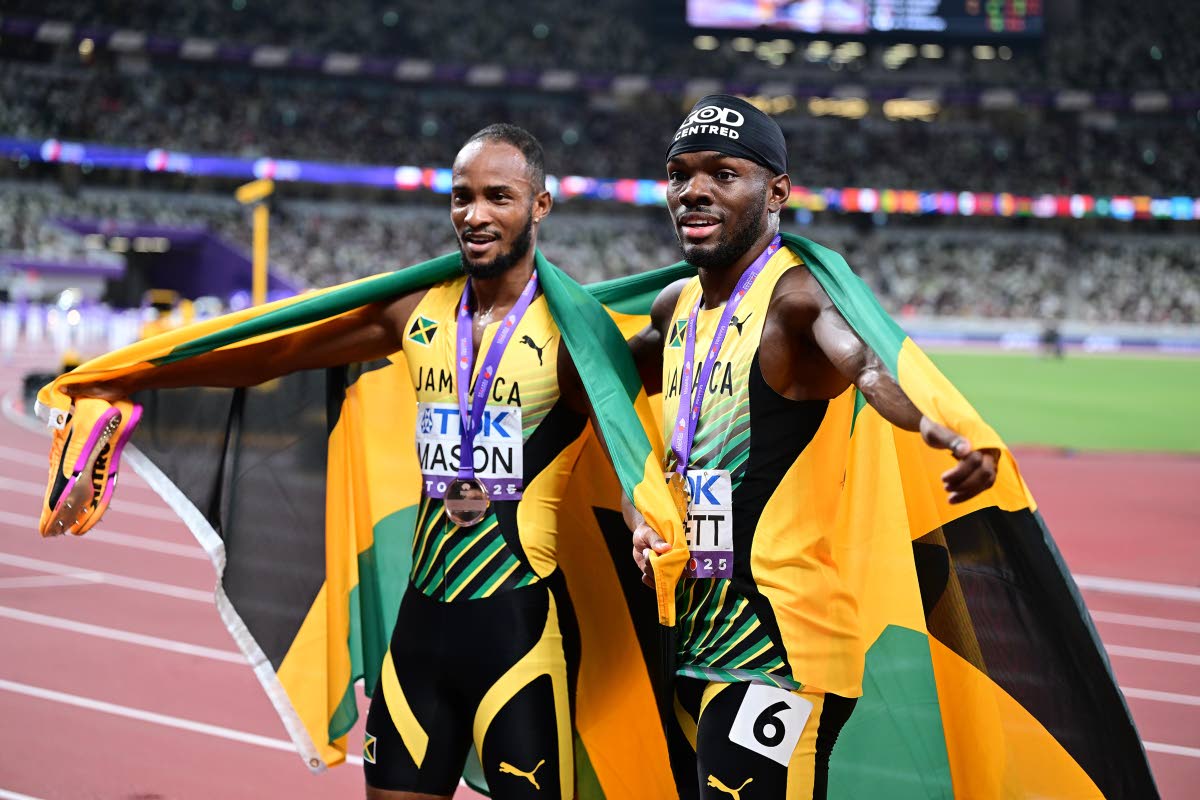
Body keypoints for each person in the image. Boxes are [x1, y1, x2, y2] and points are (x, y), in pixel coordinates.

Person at [56, 125, 601, 800]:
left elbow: (647, 430)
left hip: (519, 636)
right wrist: (132, 380)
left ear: (540, 206)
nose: (475, 214)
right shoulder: (416, 312)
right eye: (461, 196)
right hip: (420, 636)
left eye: (499, 196)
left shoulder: (580, 332)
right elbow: (276, 350)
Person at [625, 95, 1000, 800]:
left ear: (777, 193)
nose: (694, 190)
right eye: (679, 174)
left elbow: (866, 365)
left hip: (780, 642)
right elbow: (609, 391)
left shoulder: (794, 298)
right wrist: (635, 509)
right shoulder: (675, 308)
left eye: (722, 173)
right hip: (693, 630)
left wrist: (934, 425)